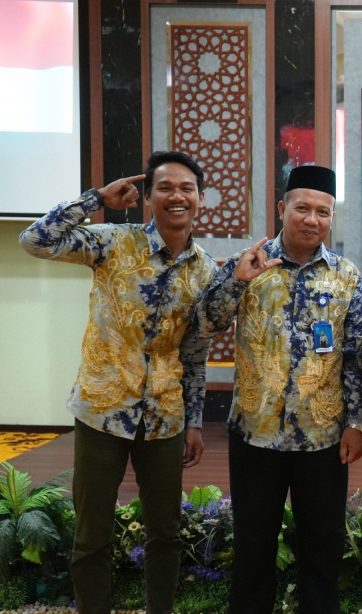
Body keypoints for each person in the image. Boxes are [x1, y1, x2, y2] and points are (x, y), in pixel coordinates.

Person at [19, 151, 217, 614]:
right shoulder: (113, 242)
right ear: (148, 197)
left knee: (165, 534)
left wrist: (194, 422)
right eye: (165, 187)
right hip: (101, 411)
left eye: (186, 188)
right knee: (91, 535)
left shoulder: (204, 270)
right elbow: (35, 241)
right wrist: (95, 199)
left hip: (164, 418)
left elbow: (195, 351)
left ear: (200, 199)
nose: (177, 196)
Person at [196, 165, 362, 613]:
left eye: (323, 211)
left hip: (323, 438)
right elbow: (208, 322)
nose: (312, 219)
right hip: (256, 433)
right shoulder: (251, 262)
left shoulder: (346, 277)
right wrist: (236, 281)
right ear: (282, 208)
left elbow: (354, 355)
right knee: (254, 548)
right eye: (302, 208)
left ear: (331, 217)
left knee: (323, 548)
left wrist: (357, 421)